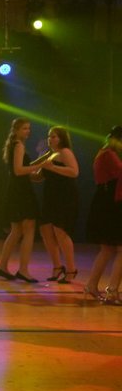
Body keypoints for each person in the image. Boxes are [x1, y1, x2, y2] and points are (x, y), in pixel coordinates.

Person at [0, 117, 41, 283]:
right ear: (16, 130)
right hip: (21, 192)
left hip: (16, 190)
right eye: (24, 128)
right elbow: (19, 170)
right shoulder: (19, 145)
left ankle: (3, 266)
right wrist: (40, 165)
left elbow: (21, 172)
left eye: (29, 128)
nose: (28, 131)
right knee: (28, 229)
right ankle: (23, 270)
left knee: (16, 231)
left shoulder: (14, 145)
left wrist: (36, 172)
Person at [33, 126, 80, 284]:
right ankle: (57, 266)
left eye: (54, 136)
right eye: (49, 136)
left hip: (64, 196)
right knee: (45, 230)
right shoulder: (50, 154)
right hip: (50, 197)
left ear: (61, 138)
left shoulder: (65, 152)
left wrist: (53, 167)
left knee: (60, 231)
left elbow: (74, 172)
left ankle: (71, 270)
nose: (50, 139)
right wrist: (21, 171)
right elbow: (38, 176)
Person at [84, 125, 122, 304]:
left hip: (105, 202)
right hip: (111, 204)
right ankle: (112, 291)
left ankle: (92, 285)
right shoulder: (109, 155)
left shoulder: (104, 152)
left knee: (107, 249)